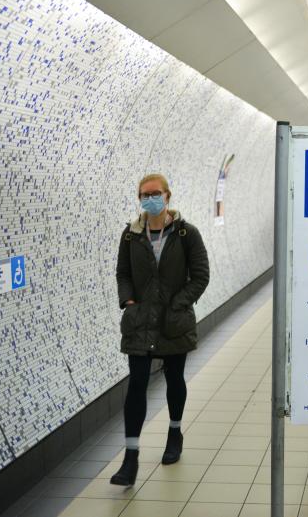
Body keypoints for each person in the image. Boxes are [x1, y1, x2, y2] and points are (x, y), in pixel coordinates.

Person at [109, 173, 210, 486]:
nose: (149, 199)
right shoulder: (131, 235)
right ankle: (130, 456)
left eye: (155, 193)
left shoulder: (185, 233)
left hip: (173, 322)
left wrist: (178, 304)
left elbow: (201, 275)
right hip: (139, 323)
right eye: (144, 194)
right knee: (137, 384)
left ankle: (175, 432)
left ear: (168, 196)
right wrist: (128, 302)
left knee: (174, 378)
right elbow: (122, 273)